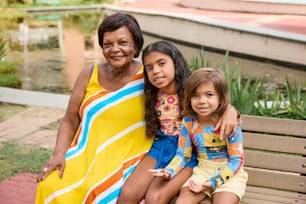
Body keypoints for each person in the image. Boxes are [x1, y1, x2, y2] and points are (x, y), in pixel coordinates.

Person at [35, 13, 154, 204]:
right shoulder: (89, 73)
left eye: (123, 42)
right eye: (108, 44)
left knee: (100, 193)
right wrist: (59, 154)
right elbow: (70, 120)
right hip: (85, 152)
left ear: (136, 45)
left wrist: (221, 110)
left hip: (129, 156)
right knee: (50, 183)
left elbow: (190, 93)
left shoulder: (149, 76)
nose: (115, 49)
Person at [118, 42, 240, 204]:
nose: (156, 71)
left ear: (175, 63)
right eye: (149, 68)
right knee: (128, 195)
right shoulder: (150, 92)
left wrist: (231, 110)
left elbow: (217, 101)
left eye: (162, 63)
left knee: (155, 198)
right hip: (160, 147)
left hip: (189, 152)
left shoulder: (193, 90)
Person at [151, 68, 248, 204]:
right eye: (195, 96)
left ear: (221, 97)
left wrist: (212, 183)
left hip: (229, 174)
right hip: (202, 172)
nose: (201, 101)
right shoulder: (189, 122)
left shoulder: (229, 123)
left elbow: (236, 161)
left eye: (209, 95)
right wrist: (169, 171)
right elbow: (183, 155)